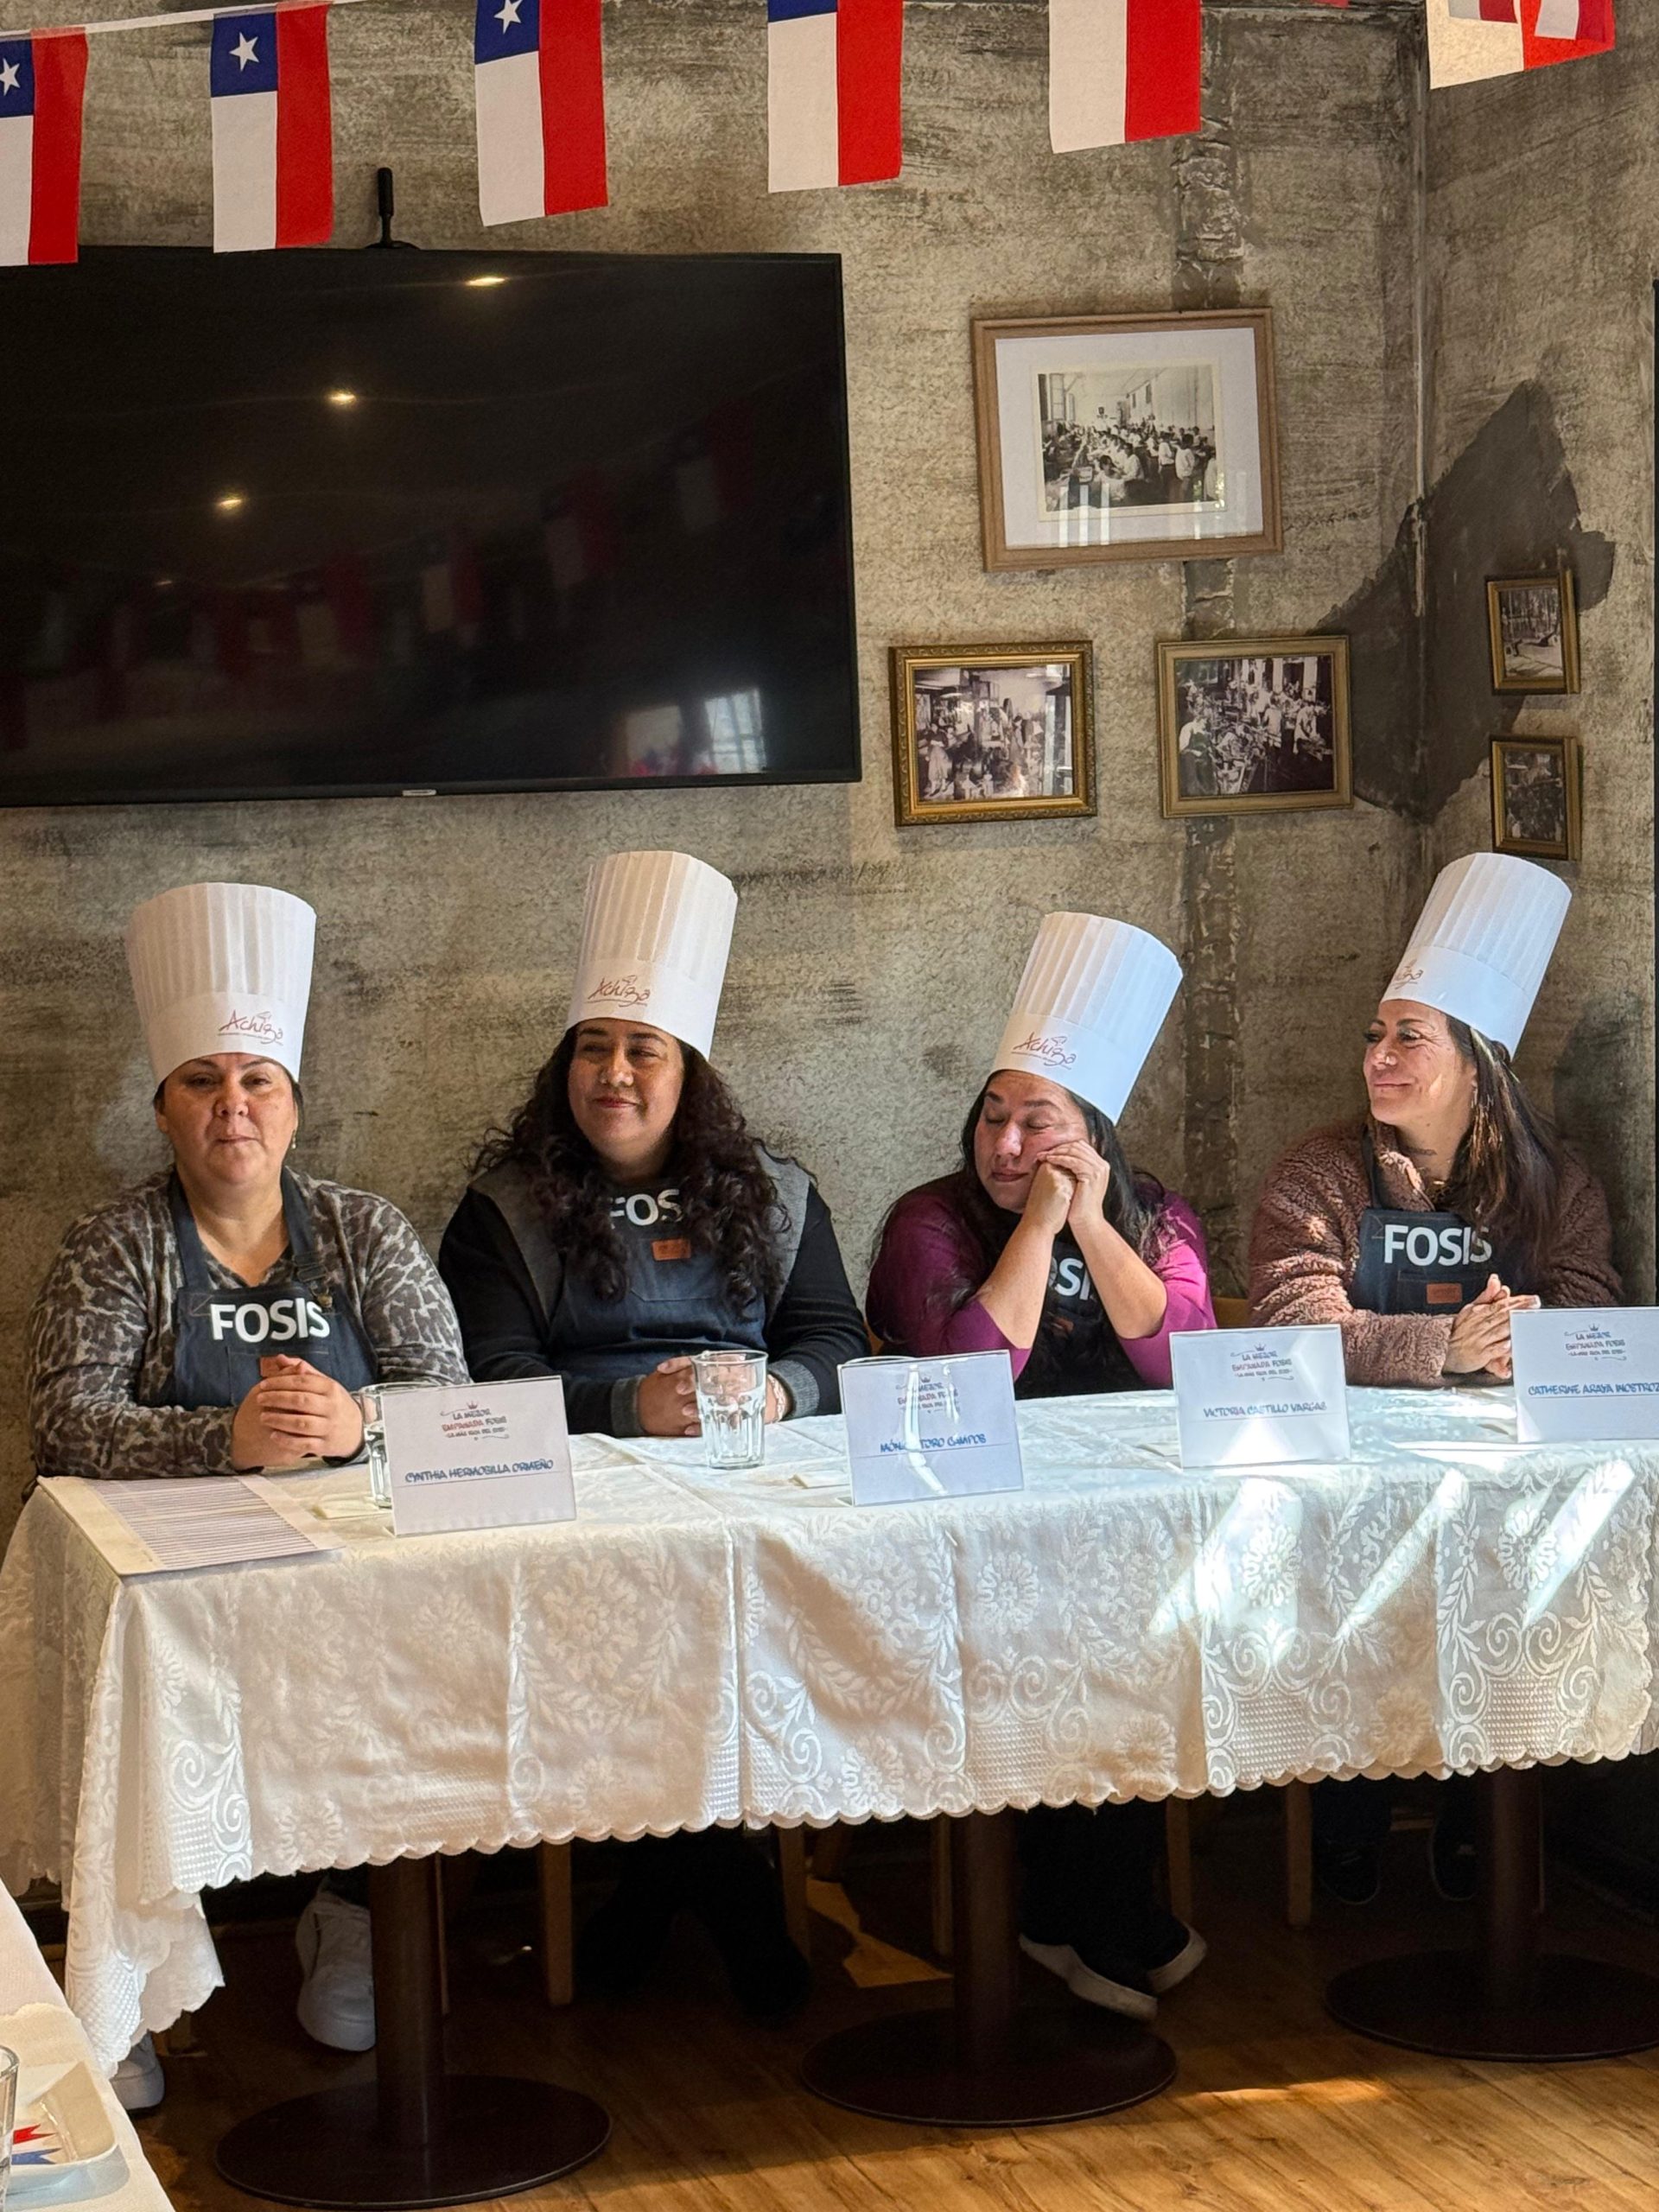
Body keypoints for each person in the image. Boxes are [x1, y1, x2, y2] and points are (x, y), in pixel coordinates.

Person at [26, 882, 470, 2104]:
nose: (234, 1105)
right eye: (203, 1081)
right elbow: (62, 1424)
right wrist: (222, 1438)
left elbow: (455, 1403)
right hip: (175, 1581)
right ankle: (124, 1981)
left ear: (295, 1104)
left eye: (258, 1080)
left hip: (351, 1574)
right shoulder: (115, 1244)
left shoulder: (365, 1231)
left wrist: (360, 1420)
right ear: (163, 1109)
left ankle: (351, 1910)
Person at [439, 849, 868, 2012]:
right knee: (641, 1625)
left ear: (690, 1072)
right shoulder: (502, 1211)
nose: (615, 1073)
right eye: (594, 1047)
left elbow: (837, 1340)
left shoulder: (778, 1193)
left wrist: (775, 1395)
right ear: (564, 1067)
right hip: (579, 1495)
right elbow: (488, 1384)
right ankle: (731, 1893)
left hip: (754, 1480)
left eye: (644, 1049)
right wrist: (633, 1407)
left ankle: (654, 1892)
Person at [1249, 853, 1620, 1903]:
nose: (1377, 1056)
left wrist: (1535, 1337)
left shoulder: (1560, 1184)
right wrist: (1442, 1348)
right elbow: (1289, 1325)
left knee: (1522, 1595)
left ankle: (1483, 1820)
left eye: (1408, 1036)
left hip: (1507, 1478)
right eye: (1375, 1034)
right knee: (1353, 1599)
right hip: (1345, 1478)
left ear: (1476, 1065)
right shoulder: (1320, 1175)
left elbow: (1596, 1310)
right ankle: (1350, 1813)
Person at [868, 912, 1216, 2021]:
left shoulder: (1157, 1215)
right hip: (975, 1520)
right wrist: (1036, 1230)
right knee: (1063, 1629)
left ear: (1093, 1135)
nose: (1007, 1144)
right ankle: (1095, 1910)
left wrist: (1095, 1224)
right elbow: (974, 1370)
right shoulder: (930, 1220)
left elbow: (1184, 1357)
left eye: (1038, 1122)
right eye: (993, 1115)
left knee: (1145, 1628)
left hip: (1131, 1513)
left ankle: (1072, 1907)